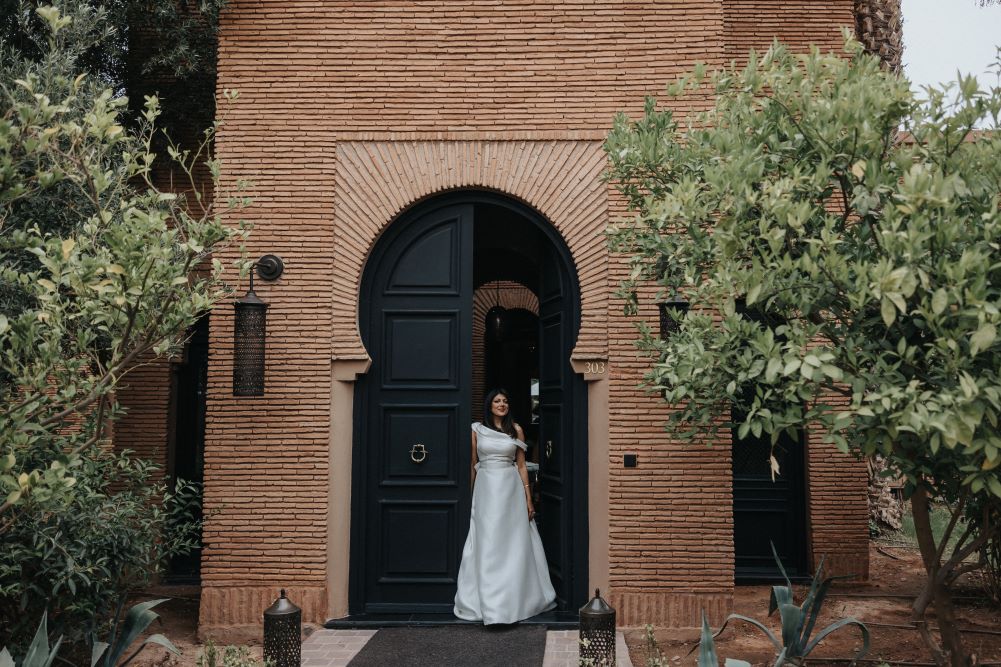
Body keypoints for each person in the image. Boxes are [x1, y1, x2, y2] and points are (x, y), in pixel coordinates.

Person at [453, 388, 557, 624]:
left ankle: (514, 599)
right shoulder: (476, 430)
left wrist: (528, 499)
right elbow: (473, 463)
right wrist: (471, 496)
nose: (502, 404)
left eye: (505, 401)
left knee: (512, 541)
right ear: (489, 405)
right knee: (488, 540)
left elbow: (521, 467)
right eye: (497, 401)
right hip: (487, 488)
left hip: (510, 488)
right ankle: (488, 603)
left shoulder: (516, 430)